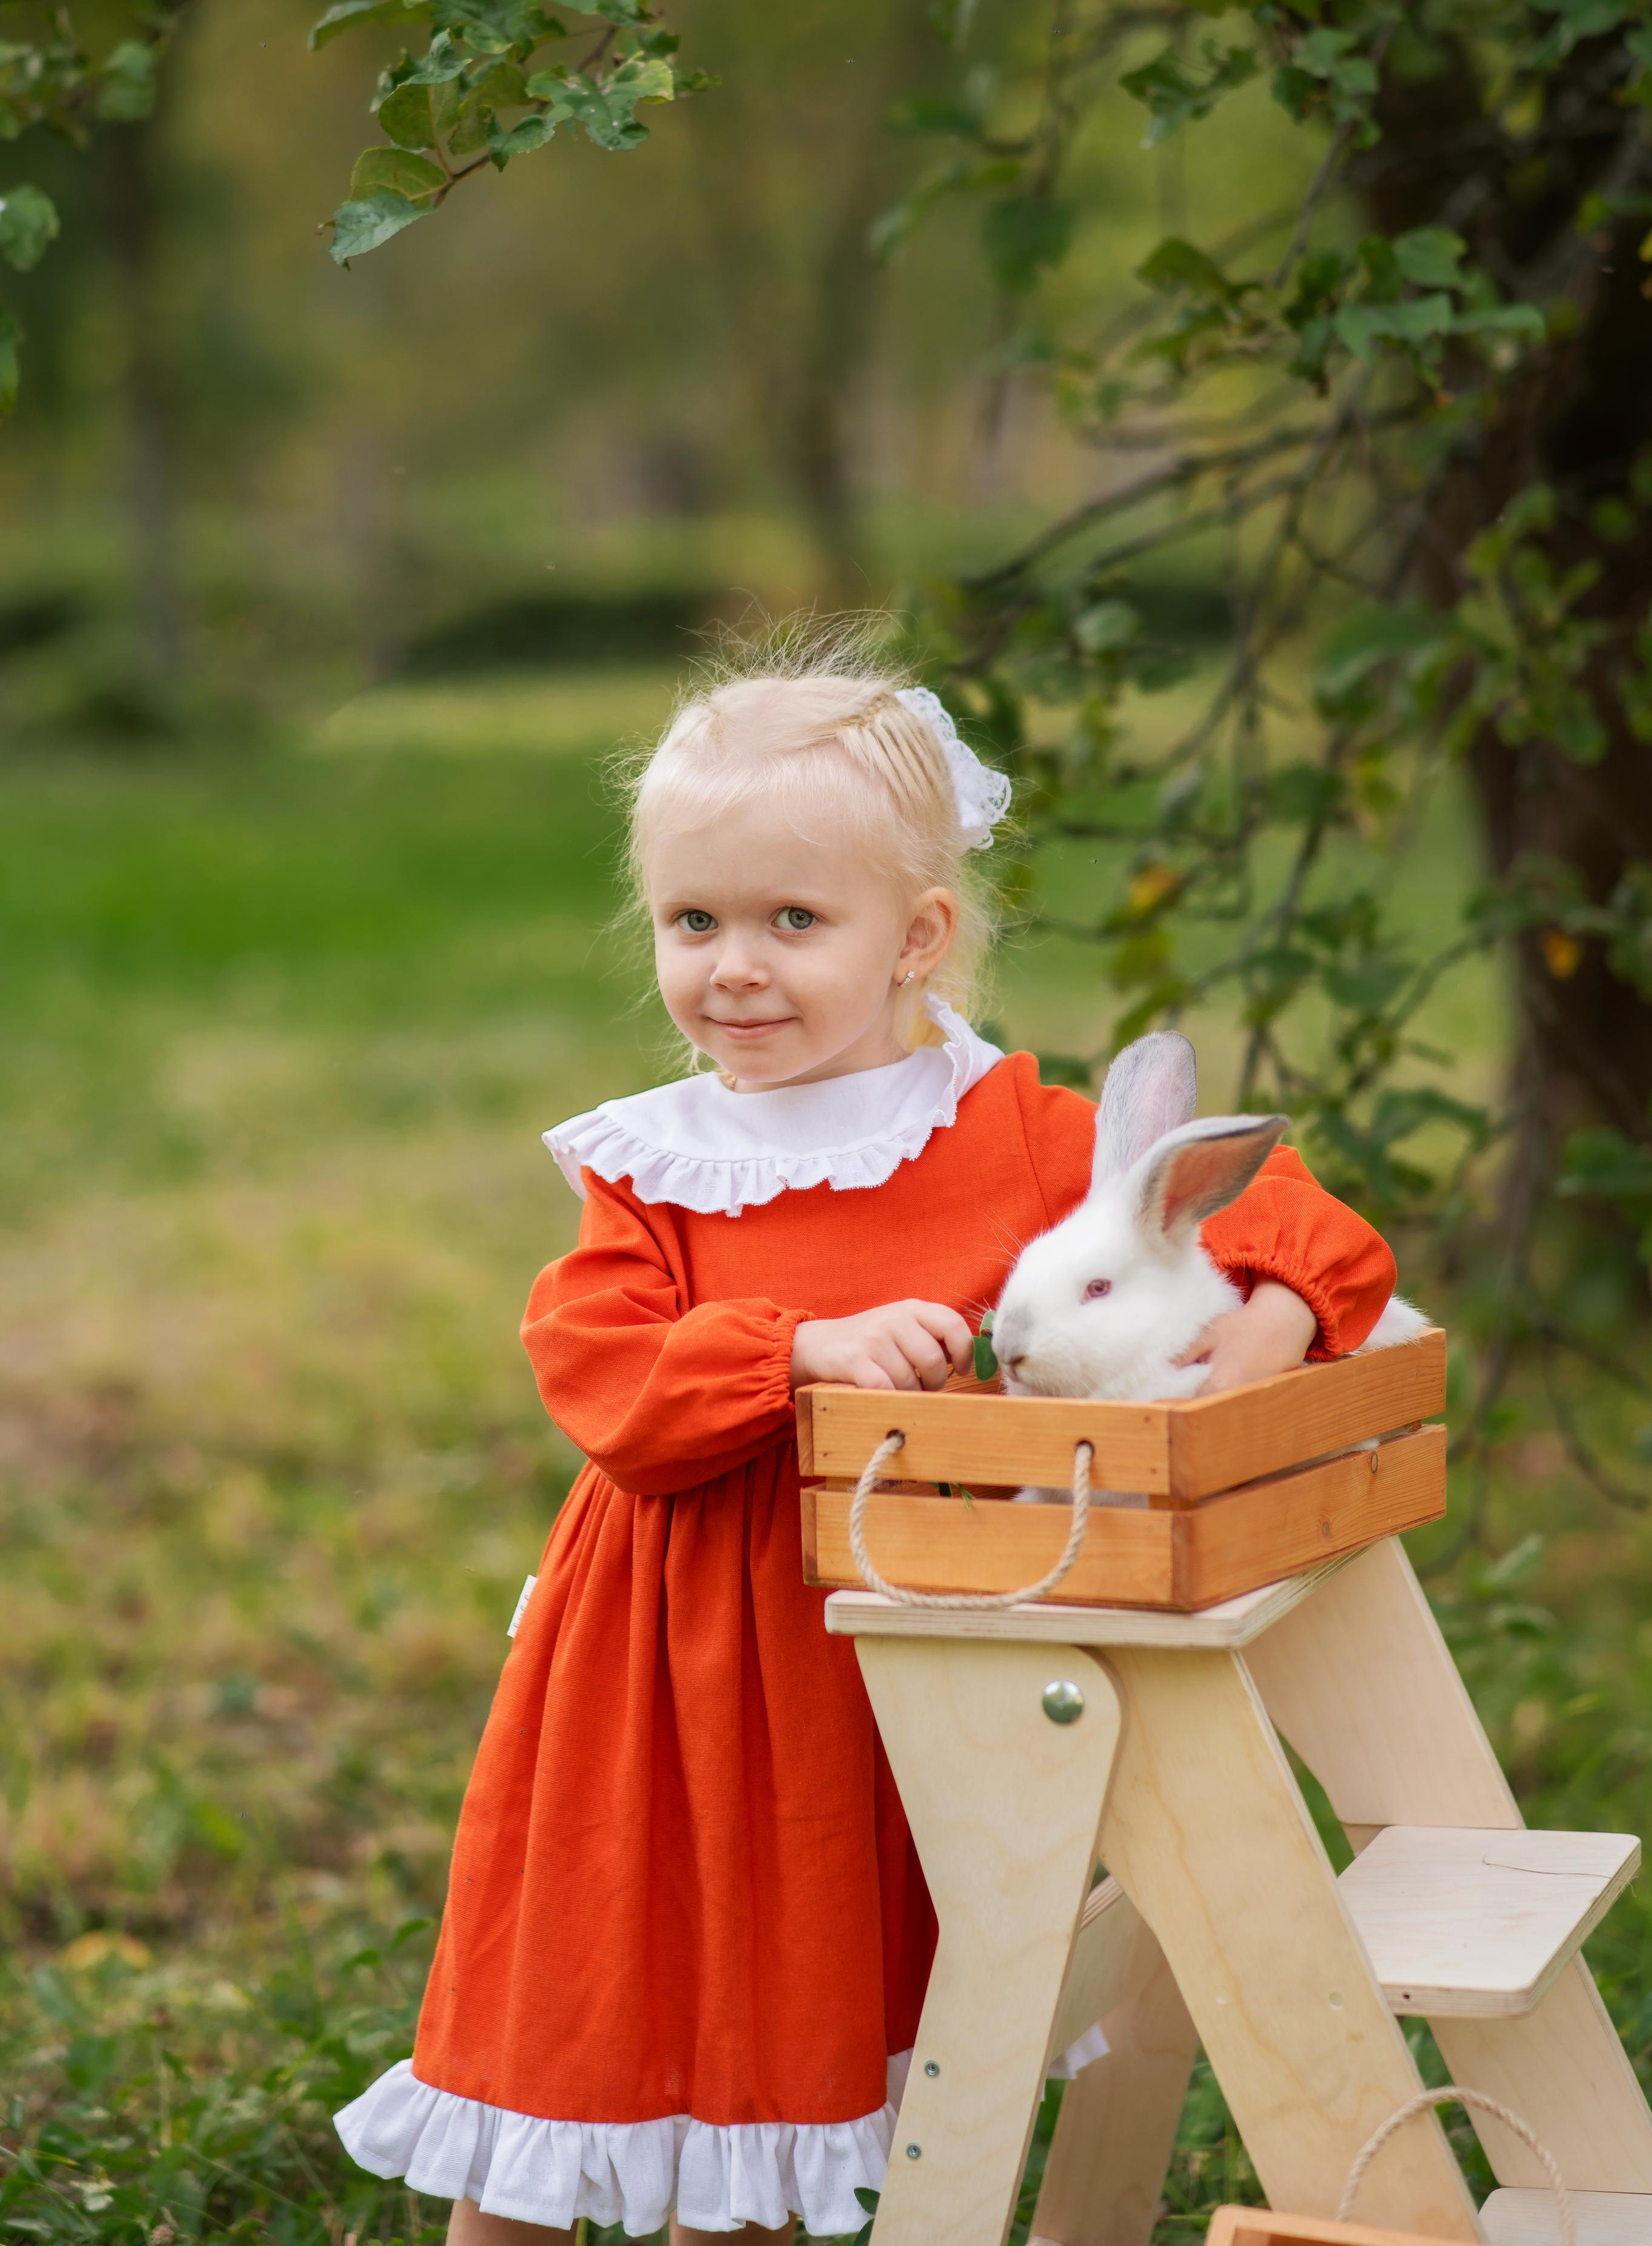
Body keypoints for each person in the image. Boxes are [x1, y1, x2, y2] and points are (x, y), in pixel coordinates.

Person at [335, 646, 1397, 2242]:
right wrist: (791, 1348)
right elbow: (601, 1372)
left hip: (898, 1659)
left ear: (917, 938)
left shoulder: (1011, 1132)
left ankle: (740, 2215)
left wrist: (1268, 1322)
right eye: (693, 922)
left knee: (801, 2003)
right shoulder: (658, 1162)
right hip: (670, 1654)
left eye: (791, 921)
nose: (733, 969)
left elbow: (1280, 1208)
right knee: (597, 1979)